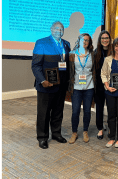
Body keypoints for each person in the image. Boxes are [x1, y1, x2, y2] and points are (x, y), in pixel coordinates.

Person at [31, 21, 71, 149]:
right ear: (51, 29)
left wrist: (68, 82)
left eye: (61, 29)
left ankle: (56, 133)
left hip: (61, 85)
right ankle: (42, 137)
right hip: (46, 85)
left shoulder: (66, 44)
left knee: (58, 111)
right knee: (44, 112)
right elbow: (36, 65)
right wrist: (43, 80)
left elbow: (67, 65)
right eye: (56, 29)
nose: (59, 31)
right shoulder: (41, 42)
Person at [67, 33, 95, 144]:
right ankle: (74, 132)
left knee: (87, 111)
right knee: (75, 111)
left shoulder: (92, 55)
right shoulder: (72, 54)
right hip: (76, 87)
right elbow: (68, 71)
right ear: (79, 41)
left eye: (87, 40)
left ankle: (85, 131)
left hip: (89, 86)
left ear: (89, 43)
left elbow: (95, 70)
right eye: (83, 40)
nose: (85, 42)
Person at [94, 30, 112, 140]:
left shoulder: (114, 53)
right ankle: (100, 128)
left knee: (111, 108)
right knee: (99, 108)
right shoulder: (96, 53)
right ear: (100, 40)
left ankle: (110, 128)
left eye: (106, 38)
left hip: (111, 86)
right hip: (99, 87)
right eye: (103, 38)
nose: (105, 40)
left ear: (110, 40)